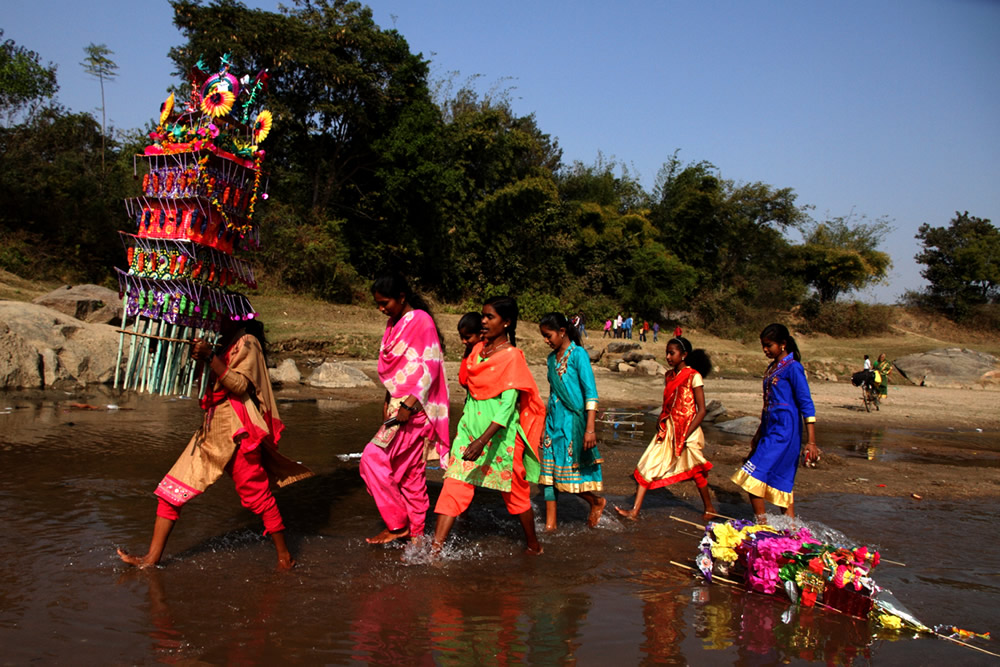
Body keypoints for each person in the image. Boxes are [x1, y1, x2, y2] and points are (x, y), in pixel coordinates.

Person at [118, 318, 313, 569]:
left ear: (234, 317)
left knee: (257, 497)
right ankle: (151, 559)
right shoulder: (220, 343)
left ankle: (285, 557)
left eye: (219, 316)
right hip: (211, 430)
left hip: (238, 431)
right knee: (170, 492)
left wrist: (211, 357)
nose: (213, 322)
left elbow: (240, 385)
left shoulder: (247, 343)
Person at [432, 296, 545, 554]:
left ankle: (533, 545)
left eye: (490, 317)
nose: (483, 321)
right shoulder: (477, 351)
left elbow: (508, 406)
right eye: (482, 316)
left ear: (506, 322)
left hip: (499, 438)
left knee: (515, 495)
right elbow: (465, 383)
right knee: (453, 484)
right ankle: (435, 552)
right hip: (469, 430)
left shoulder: (513, 357)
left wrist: (482, 441)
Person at [360, 274, 451, 544]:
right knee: (410, 473)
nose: (381, 308)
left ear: (401, 297)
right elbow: (397, 369)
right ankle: (417, 537)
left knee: (372, 457)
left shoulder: (421, 320)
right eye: (377, 303)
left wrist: (409, 405)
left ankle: (397, 524)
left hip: (413, 408)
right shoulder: (394, 323)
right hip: (399, 405)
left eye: (384, 302)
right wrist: (388, 400)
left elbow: (429, 364)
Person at [616, 336, 715, 521]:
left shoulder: (694, 376)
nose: (668, 357)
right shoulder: (669, 375)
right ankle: (634, 511)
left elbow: (701, 410)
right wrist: (661, 419)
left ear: (684, 355)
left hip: (688, 431)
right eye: (667, 353)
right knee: (648, 464)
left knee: (696, 469)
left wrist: (687, 433)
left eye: (672, 353)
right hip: (668, 429)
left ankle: (709, 507)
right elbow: (668, 404)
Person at [731, 323, 820, 523]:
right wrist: (758, 434)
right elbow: (767, 405)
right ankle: (792, 530)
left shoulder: (793, 367)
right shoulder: (772, 368)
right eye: (763, 345)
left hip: (785, 432)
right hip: (770, 430)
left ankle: (761, 524)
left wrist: (811, 441)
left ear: (782, 344)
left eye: (768, 345)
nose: (765, 350)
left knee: (752, 476)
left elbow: (806, 403)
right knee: (779, 478)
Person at [537, 312, 606, 531]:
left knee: (567, 473)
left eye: (548, 336)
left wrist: (590, 429)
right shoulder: (550, 359)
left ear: (562, 332)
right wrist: (543, 427)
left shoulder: (578, 355)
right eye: (544, 336)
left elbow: (591, 393)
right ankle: (550, 525)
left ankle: (595, 501)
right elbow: (552, 393)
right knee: (548, 476)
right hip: (553, 423)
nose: (546, 341)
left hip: (573, 424)